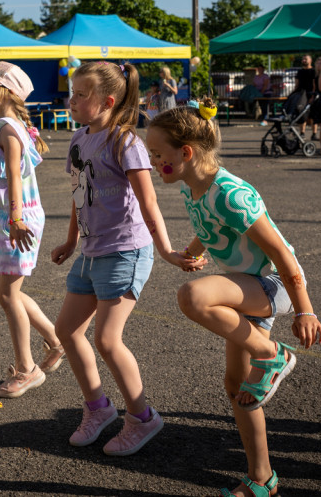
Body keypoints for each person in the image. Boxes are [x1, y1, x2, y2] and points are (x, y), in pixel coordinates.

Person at [145, 98, 321, 497]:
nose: (154, 163)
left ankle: (274, 355)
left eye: (158, 155)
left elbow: (281, 252)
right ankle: (262, 479)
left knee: (194, 296)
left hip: (273, 283)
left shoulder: (231, 193)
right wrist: (191, 250)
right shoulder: (195, 186)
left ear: (186, 152)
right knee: (237, 385)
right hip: (246, 285)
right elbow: (209, 226)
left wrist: (305, 309)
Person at [50, 61, 200, 456]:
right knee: (66, 331)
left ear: (108, 100)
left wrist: (167, 249)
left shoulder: (125, 142)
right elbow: (78, 194)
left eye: (82, 95)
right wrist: (69, 241)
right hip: (90, 250)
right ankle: (98, 409)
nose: (73, 100)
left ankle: (142, 417)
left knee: (106, 339)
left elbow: (148, 200)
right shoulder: (79, 139)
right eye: (73, 93)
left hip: (126, 250)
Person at [0, 62, 64, 398]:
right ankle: (55, 340)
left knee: (8, 295)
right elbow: (10, 170)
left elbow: (14, 175)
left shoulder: (8, 128)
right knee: (4, 292)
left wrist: (16, 218)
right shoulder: (11, 127)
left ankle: (27, 369)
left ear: (3, 92)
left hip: (17, 219)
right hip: (13, 217)